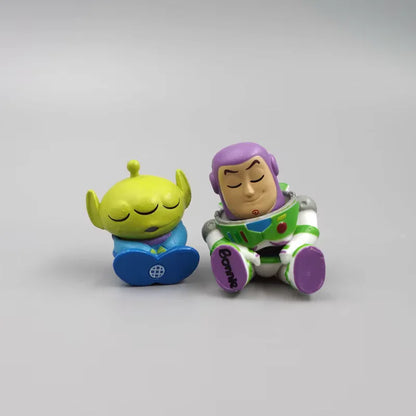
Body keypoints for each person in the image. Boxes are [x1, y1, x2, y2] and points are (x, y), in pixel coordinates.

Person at [202, 142, 325, 294]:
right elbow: (213, 236)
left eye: (256, 177)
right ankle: (236, 266)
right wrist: (235, 251)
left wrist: (296, 244)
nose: (249, 191)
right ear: (215, 185)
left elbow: (309, 228)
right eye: (234, 184)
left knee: (292, 263)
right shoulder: (219, 225)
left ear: (273, 166)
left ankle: (300, 267)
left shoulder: (301, 206)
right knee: (210, 229)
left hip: (285, 258)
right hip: (249, 259)